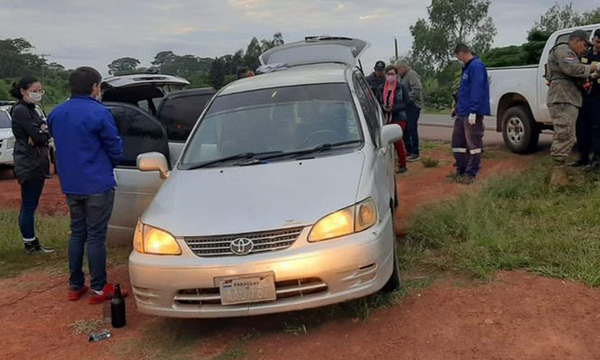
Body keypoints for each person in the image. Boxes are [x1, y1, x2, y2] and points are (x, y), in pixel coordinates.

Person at [48, 67, 126, 304]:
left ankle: (75, 285)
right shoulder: (99, 112)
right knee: (96, 236)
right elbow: (115, 147)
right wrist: (107, 164)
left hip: (71, 182)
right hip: (97, 182)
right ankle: (100, 288)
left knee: (77, 233)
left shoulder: (56, 113)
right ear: (95, 87)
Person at [9, 77, 54, 255]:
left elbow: (44, 131)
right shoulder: (21, 111)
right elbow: (40, 136)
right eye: (35, 91)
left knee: (31, 204)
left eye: (40, 91)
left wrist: (42, 131)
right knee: (28, 205)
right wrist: (40, 132)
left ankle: (32, 242)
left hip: (35, 161)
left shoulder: (32, 109)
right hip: (29, 163)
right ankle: (30, 243)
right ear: (23, 91)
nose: (38, 94)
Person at [546, 30, 597, 182]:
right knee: (564, 132)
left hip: (567, 96)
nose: (586, 48)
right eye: (584, 44)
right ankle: (557, 175)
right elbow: (573, 69)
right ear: (576, 40)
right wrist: (594, 67)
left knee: (567, 133)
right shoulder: (564, 50)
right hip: (563, 97)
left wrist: (589, 76)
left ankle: (558, 172)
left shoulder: (570, 53)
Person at [450, 43, 490, 184]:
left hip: (471, 113)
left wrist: (474, 110)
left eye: (457, 56)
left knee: (473, 144)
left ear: (461, 53)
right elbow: (464, 91)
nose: (458, 59)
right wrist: (456, 106)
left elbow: (477, 90)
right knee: (458, 143)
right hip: (462, 112)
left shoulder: (476, 66)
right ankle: (461, 170)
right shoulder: (466, 68)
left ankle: (471, 173)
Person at [572, 29, 600, 171]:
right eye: (597, 42)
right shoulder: (585, 54)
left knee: (596, 128)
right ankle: (583, 157)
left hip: (597, 97)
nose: (598, 45)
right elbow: (578, 69)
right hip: (583, 96)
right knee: (581, 127)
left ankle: (596, 159)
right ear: (593, 39)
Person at [377, 65, 409, 173]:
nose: (391, 76)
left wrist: (393, 108)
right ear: (385, 75)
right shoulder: (381, 88)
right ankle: (388, 163)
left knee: (397, 140)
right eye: (388, 74)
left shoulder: (401, 87)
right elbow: (378, 101)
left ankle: (402, 164)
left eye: (393, 74)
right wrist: (384, 107)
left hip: (399, 116)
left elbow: (406, 102)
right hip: (386, 117)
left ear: (396, 75)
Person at [396, 59, 423, 162]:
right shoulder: (401, 77)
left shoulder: (411, 74)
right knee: (405, 129)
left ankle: (415, 152)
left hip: (413, 105)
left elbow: (417, 88)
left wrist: (407, 99)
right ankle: (408, 150)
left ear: (403, 67)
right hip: (405, 106)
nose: (398, 71)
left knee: (412, 128)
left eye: (398, 69)